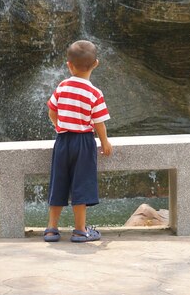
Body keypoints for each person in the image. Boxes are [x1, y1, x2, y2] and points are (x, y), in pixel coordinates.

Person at [43, 40, 112, 243]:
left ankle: (51, 228)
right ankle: (80, 230)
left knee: (59, 181)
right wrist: (105, 142)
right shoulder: (94, 93)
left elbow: (51, 111)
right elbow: (99, 123)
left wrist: (59, 125)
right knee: (81, 184)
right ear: (95, 64)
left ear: (69, 65)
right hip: (84, 141)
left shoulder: (62, 86)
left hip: (63, 141)